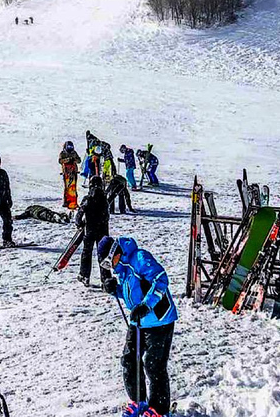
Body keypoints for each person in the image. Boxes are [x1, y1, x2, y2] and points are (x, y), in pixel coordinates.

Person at [98, 236, 178, 417]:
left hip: (159, 320)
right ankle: (139, 400)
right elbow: (132, 294)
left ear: (115, 253)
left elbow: (161, 280)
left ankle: (159, 409)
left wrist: (146, 305)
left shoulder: (140, 258)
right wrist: (114, 290)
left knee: (153, 364)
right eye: (105, 265)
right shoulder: (122, 269)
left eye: (108, 262)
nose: (109, 266)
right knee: (129, 359)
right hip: (138, 321)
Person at [74, 176, 111, 287]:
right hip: (103, 231)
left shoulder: (87, 198)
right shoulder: (104, 199)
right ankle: (106, 279)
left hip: (90, 230)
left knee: (87, 253)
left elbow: (79, 215)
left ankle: (84, 276)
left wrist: (80, 224)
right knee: (103, 255)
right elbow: (106, 216)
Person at [59, 141, 81, 209]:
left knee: (73, 187)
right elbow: (60, 161)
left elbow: (79, 160)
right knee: (67, 187)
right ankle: (66, 201)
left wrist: (74, 159)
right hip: (66, 172)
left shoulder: (74, 152)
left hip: (73, 171)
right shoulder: (63, 153)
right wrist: (68, 160)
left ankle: (74, 201)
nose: (70, 148)